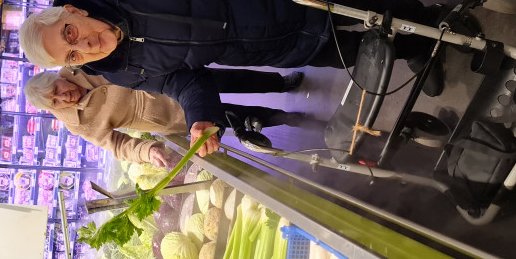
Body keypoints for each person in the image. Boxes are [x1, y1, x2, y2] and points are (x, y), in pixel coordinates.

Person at [19, 0, 445, 157]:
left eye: (71, 35)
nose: (86, 47)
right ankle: (417, 51)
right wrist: (200, 119)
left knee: (364, 7)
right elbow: (181, 84)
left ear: (70, 12)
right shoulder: (122, 70)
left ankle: (432, 23)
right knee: (345, 54)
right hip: (262, 47)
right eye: (73, 54)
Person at [25, 68, 306, 166]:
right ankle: (286, 118)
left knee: (232, 80)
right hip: (169, 116)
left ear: (56, 78)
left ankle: (280, 82)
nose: (64, 97)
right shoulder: (77, 123)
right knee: (234, 118)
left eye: (57, 89)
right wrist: (146, 151)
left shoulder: (79, 63)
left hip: (168, 78)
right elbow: (117, 145)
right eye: (55, 102)